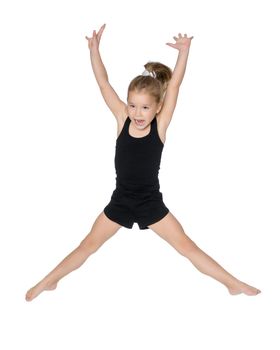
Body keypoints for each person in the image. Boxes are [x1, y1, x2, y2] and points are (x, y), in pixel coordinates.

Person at [25, 24, 261, 302]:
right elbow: (103, 82)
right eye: (133, 105)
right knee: (88, 245)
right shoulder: (122, 118)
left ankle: (232, 283)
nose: (137, 113)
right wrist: (94, 50)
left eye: (145, 107)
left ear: (158, 107)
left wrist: (184, 52)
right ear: (127, 104)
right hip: (121, 200)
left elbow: (174, 85)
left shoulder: (160, 125)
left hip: (150, 202)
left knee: (186, 246)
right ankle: (48, 281)